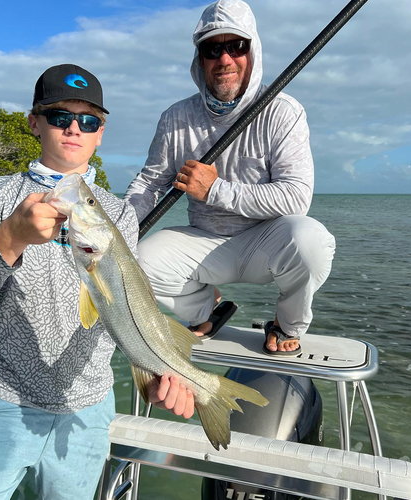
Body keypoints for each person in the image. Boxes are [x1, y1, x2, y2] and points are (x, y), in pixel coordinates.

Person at [0, 64, 193, 500]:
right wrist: (9, 237)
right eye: (59, 116)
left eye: (88, 120)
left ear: (100, 133)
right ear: (34, 122)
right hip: (2, 397)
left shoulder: (121, 213)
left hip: (88, 409)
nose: (74, 128)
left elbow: (124, 310)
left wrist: (157, 372)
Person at [124, 0, 336, 356]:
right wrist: (116, 228)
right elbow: (149, 185)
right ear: (199, 58)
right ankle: (205, 310)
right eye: (212, 48)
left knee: (311, 241)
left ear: (253, 50)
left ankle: (286, 324)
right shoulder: (175, 118)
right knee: (138, 259)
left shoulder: (284, 111)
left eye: (236, 46)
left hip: (265, 241)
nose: (225, 59)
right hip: (204, 241)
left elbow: (296, 198)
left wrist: (214, 189)